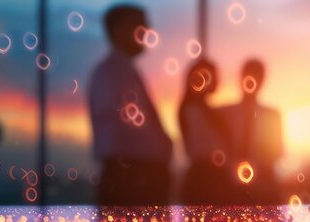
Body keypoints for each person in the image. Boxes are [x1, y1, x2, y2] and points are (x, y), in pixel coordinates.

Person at [89, 5, 172, 205]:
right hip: (131, 181)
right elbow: (121, 133)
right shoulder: (111, 74)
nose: (146, 29)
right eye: (139, 25)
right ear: (120, 30)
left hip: (136, 178)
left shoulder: (119, 73)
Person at [217, 59, 284, 204]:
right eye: (250, 74)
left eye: (257, 75)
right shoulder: (225, 113)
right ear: (241, 77)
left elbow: (278, 151)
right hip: (230, 187)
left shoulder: (272, 115)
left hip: (264, 188)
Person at [178, 59, 236, 204]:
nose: (218, 80)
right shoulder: (194, 110)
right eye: (214, 76)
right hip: (207, 180)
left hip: (204, 178)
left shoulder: (193, 108)